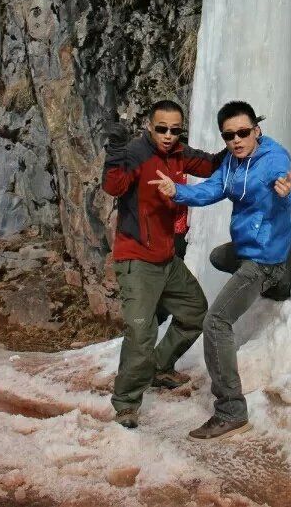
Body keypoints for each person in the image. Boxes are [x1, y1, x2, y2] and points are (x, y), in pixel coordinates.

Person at [153, 100, 291, 441]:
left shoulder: (273, 161)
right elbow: (212, 189)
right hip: (248, 247)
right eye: (229, 135)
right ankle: (273, 284)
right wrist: (177, 191)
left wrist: (289, 194)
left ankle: (231, 411)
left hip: (264, 258)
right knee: (218, 257)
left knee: (216, 323)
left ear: (257, 129)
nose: (236, 140)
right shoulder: (234, 164)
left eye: (243, 132)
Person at [102, 99, 225, 429]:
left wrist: (241, 138)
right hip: (136, 258)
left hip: (166, 258)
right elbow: (113, 185)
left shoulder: (181, 154)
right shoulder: (135, 154)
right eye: (162, 129)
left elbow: (213, 164)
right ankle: (126, 403)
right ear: (149, 126)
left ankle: (159, 366)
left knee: (195, 313)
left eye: (175, 129)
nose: (169, 135)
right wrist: (114, 148)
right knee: (141, 332)